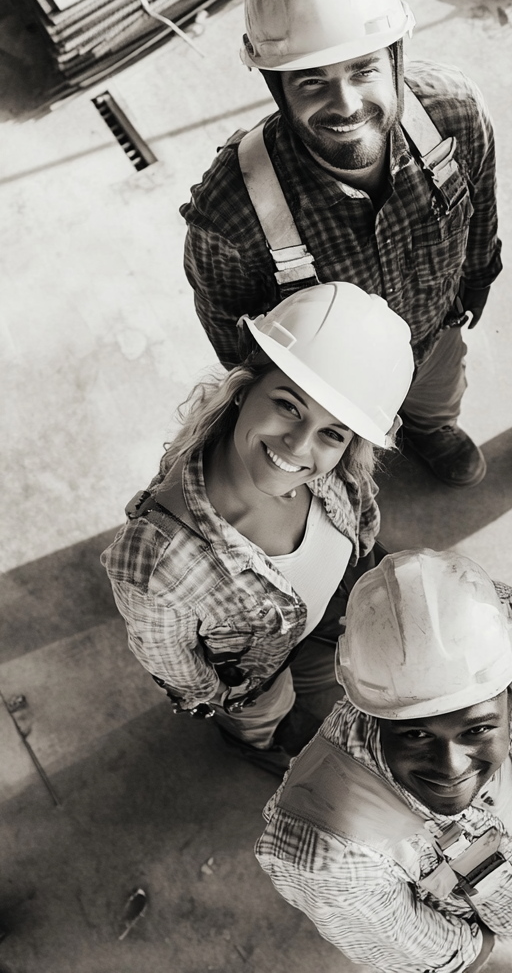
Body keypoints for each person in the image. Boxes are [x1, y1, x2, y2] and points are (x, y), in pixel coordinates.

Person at [181, 0, 502, 488]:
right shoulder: (232, 212)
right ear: (275, 89)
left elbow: (483, 206)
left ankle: (430, 427)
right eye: (311, 82)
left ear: (396, 57)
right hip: (320, 398)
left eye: (364, 69)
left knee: (437, 395)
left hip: (434, 333)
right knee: (335, 484)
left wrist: (479, 276)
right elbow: (237, 344)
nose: (346, 103)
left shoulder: (453, 115)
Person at [102, 282, 414, 773]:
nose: (297, 445)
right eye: (288, 405)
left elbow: (360, 520)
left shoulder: (340, 466)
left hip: (323, 619)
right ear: (244, 388)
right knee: (268, 721)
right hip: (258, 680)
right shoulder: (156, 562)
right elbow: (183, 672)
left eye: (332, 432)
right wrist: (239, 705)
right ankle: (260, 744)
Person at [255, 549, 512, 972]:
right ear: (371, 713)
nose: (451, 768)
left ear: (507, 693)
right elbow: (407, 942)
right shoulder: (329, 851)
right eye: (416, 734)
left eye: (478, 730)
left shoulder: (497, 622)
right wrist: (478, 949)